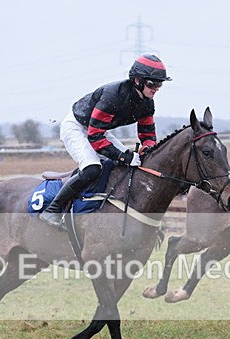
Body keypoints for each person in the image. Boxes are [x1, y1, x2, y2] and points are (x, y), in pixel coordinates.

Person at [39, 54, 171, 227]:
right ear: (137, 80)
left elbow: (147, 134)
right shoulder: (113, 96)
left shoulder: (147, 103)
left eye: (159, 84)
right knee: (92, 168)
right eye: (152, 83)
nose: (156, 88)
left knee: (135, 165)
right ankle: (53, 210)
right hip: (76, 127)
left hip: (99, 129)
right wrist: (124, 157)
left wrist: (147, 148)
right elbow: (94, 137)